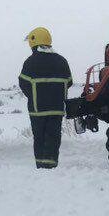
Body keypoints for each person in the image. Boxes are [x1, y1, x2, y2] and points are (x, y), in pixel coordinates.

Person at [18, 27, 72, 169]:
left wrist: (34, 96)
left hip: (37, 110)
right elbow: (69, 82)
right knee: (53, 137)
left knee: (39, 137)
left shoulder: (30, 62)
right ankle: (51, 165)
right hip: (57, 109)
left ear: (33, 42)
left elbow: (23, 83)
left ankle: (41, 166)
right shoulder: (62, 61)